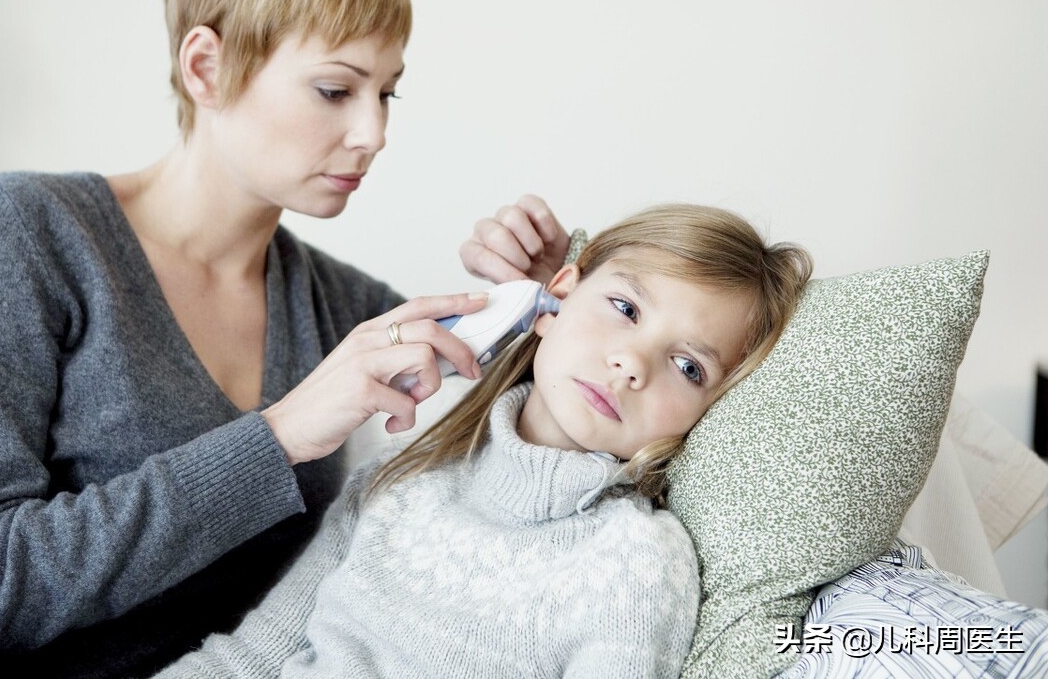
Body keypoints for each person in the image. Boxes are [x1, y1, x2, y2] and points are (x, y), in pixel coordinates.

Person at [0, 0, 572, 679]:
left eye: (386, 92)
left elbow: (524, 457)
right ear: (206, 66)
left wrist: (538, 311)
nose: (373, 133)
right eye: (336, 90)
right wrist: (282, 434)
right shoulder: (28, 231)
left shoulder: (348, 313)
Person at [152, 203, 815, 679]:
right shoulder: (402, 478)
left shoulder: (637, 562)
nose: (633, 363)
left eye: (689, 366)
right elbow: (246, 661)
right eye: (626, 309)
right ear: (559, 294)